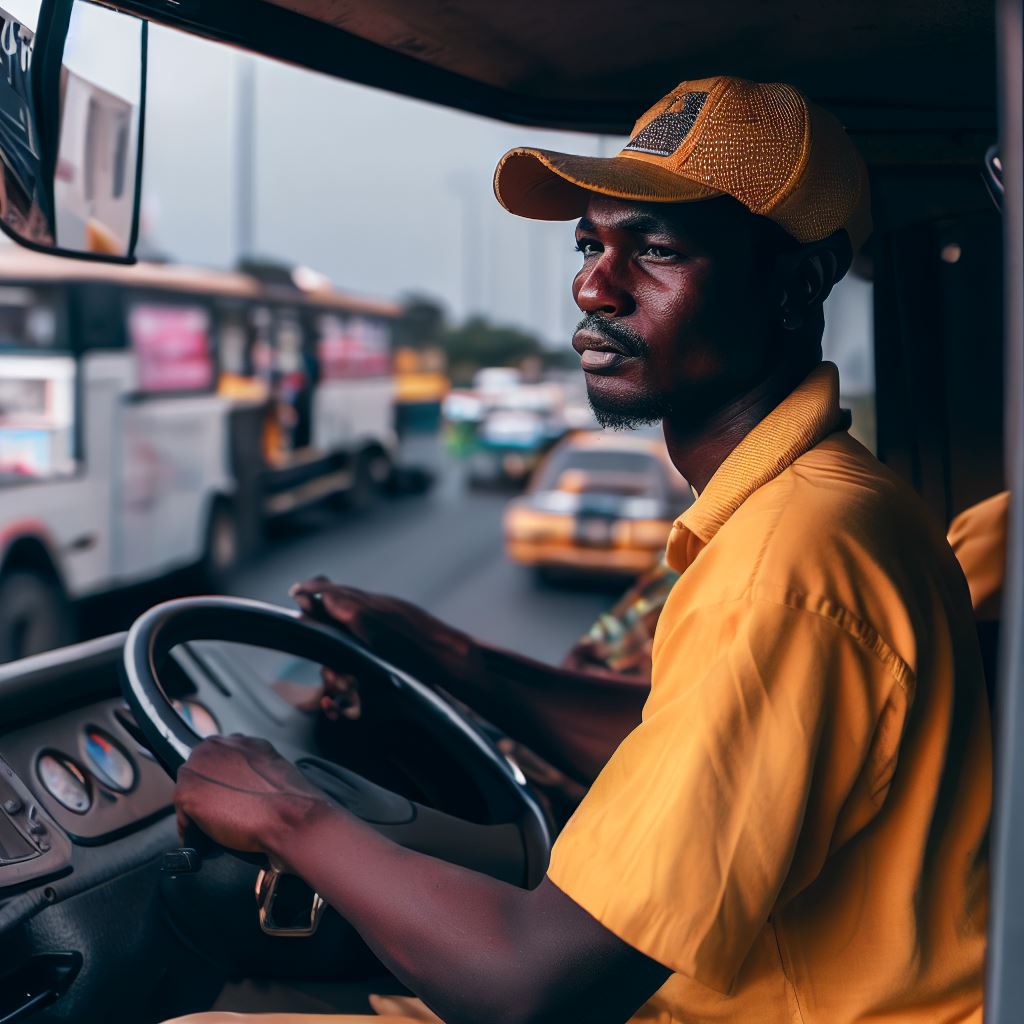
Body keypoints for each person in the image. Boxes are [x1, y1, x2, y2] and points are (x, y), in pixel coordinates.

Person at [167, 76, 990, 1024]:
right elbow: (690, 747)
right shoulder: (830, 502)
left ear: (798, 284)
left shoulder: (786, 565)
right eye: (592, 243)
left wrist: (283, 809)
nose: (594, 285)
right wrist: (457, 659)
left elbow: (532, 984)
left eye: (659, 249)